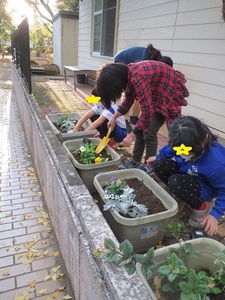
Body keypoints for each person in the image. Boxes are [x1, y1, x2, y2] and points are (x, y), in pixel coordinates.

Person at [96, 60, 189, 172]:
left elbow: (147, 112)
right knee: (141, 128)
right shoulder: (129, 75)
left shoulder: (138, 77)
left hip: (166, 91)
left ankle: (149, 165)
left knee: (149, 132)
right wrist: (114, 117)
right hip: (155, 91)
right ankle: (135, 161)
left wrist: (131, 135)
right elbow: (128, 101)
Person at [146, 116, 225, 236]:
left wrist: (215, 214)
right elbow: (172, 148)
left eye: (182, 151)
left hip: (204, 186)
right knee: (159, 164)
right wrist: (157, 156)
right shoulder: (184, 143)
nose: (178, 152)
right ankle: (183, 194)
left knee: (176, 182)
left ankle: (201, 207)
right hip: (187, 173)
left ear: (198, 147)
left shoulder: (216, 163)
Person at [114, 44, 163, 126]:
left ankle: (134, 117)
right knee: (129, 89)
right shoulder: (143, 60)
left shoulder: (150, 57)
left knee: (138, 91)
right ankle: (124, 118)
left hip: (127, 61)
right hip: (120, 61)